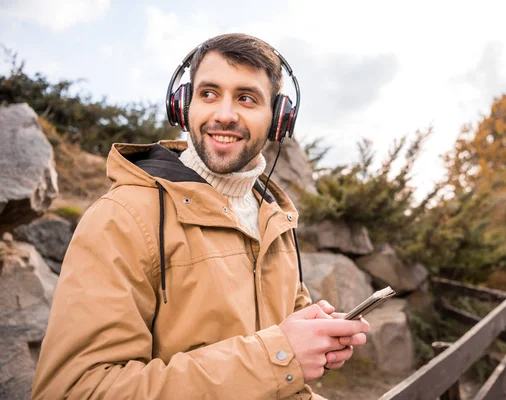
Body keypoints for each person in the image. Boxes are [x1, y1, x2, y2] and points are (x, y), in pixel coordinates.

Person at [31, 33, 369, 399]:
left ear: (278, 118)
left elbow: (283, 337)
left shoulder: (275, 217)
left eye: (246, 98)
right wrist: (280, 356)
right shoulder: (122, 218)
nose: (224, 115)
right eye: (208, 94)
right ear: (183, 106)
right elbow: (75, 390)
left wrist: (315, 329)